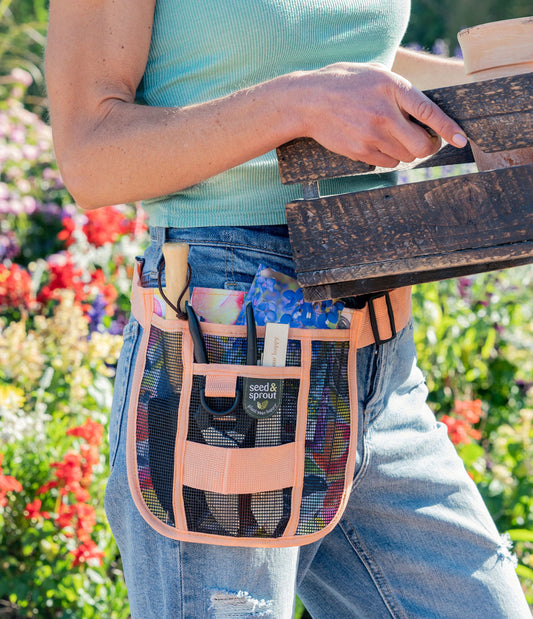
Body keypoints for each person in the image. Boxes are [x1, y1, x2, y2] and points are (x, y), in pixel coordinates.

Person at [45, 1, 531, 617]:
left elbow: (343, 56)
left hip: (377, 362)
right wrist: (298, 103)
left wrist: (501, 99)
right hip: (230, 356)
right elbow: (89, 158)